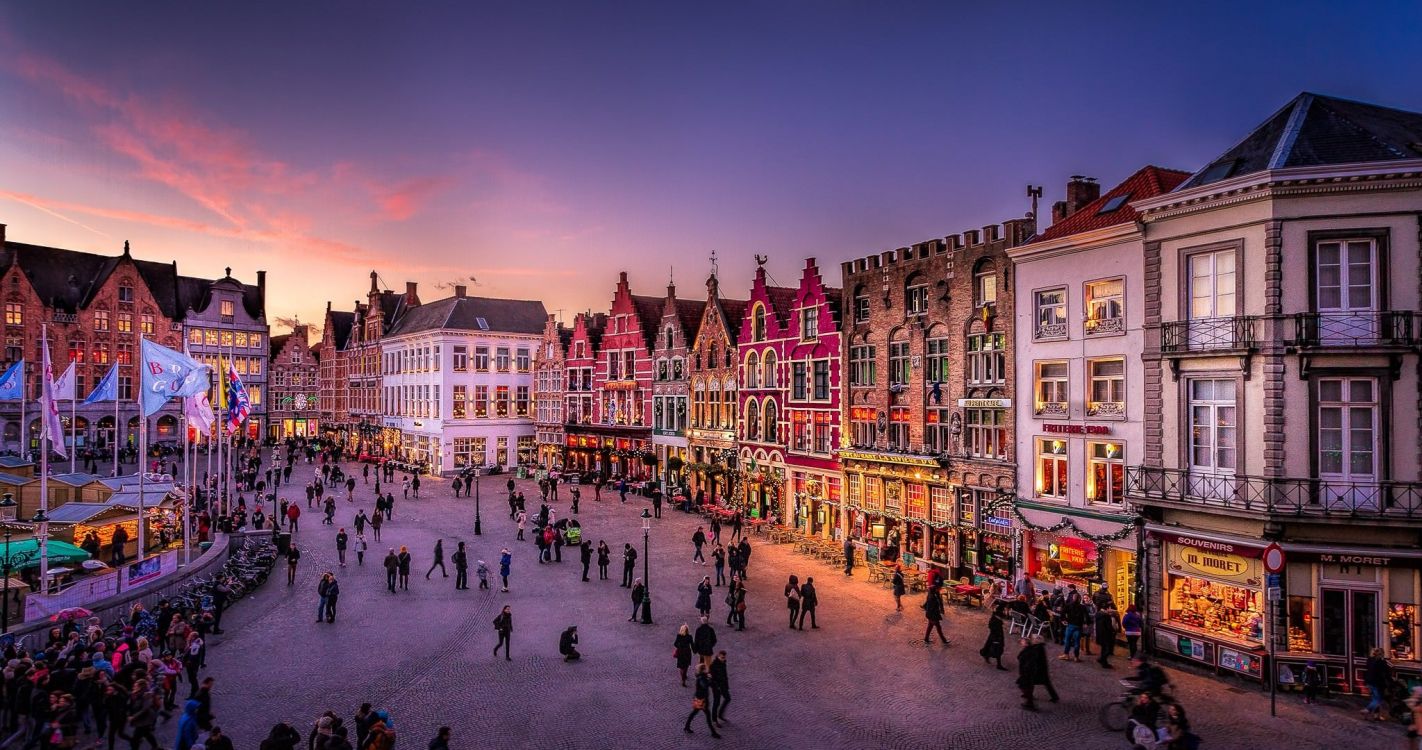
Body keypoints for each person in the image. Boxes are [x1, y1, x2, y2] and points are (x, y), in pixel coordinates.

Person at [1016, 635, 1059, 710]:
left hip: (1037, 670)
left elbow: (1029, 659)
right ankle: (1030, 698)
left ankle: (1029, 701)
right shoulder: (1038, 648)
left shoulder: (1036, 649)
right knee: (1043, 683)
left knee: (1027, 684)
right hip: (1039, 670)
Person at [683, 663, 720, 738]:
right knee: (707, 716)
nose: (707, 670)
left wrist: (709, 679)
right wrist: (709, 679)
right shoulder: (701, 678)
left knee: (694, 713)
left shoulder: (703, 676)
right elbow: (705, 686)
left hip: (700, 698)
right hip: (701, 699)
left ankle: (687, 727)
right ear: (703, 670)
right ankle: (713, 732)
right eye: (706, 669)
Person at [1363, 646, 1393, 720]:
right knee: (1378, 699)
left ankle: (1375, 716)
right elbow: (1385, 674)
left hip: (1369, 682)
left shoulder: (1369, 660)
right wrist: (1391, 681)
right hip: (1378, 683)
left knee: (1374, 699)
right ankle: (1367, 710)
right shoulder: (1382, 662)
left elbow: (1367, 670)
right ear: (1382, 654)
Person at [980, 602, 1008, 669]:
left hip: (994, 635)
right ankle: (998, 664)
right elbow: (993, 627)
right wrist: (998, 636)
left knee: (991, 646)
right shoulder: (995, 620)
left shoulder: (995, 617)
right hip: (996, 636)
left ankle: (987, 655)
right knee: (997, 648)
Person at [1094, 594, 1119, 668]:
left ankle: (1102, 659)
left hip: (1100, 635)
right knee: (1107, 650)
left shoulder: (1098, 614)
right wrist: (1112, 631)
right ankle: (1103, 662)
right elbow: (1108, 627)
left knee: (1104, 648)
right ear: (1107, 608)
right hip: (1106, 636)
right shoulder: (1106, 616)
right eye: (1109, 609)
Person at [709, 650, 731, 724]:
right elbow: (712, 679)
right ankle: (714, 719)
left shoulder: (723, 663)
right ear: (718, 656)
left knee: (728, 698)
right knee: (716, 702)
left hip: (723, 685)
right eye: (722, 657)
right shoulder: (713, 665)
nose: (723, 659)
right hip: (716, 687)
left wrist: (726, 685)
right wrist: (716, 687)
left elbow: (725, 675)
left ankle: (720, 714)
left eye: (724, 657)